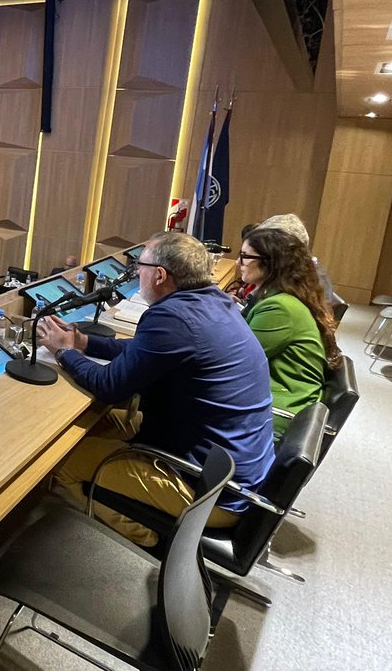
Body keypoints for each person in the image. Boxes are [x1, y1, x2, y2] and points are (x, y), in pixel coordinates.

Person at [36, 232, 275, 547]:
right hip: (228, 468)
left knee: (57, 460)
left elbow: (108, 387)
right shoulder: (213, 302)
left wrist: (62, 353)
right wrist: (84, 342)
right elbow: (144, 350)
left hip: (209, 491)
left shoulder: (172, 317)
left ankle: (144, 537)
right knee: (92, 427)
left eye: (141, 264)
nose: (137, 272)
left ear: (160, 275)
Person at [238, 227, 341, 437]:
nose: (238, 263)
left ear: (271, 262)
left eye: (245, 256)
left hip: (273, 417)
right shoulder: (282, 297)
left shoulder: (280, 308)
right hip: (280, 401)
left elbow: (231, 361)